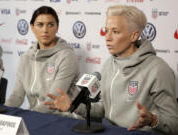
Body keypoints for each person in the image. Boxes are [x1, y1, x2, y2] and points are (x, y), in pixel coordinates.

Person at [44, 5, 178, 135]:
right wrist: (75, 107)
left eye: (115, 32)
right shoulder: (109, 64)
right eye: (106, 30)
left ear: (134, 36)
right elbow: (104, 109)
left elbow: (174, 124)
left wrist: (153, 120)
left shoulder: (159, 70)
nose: (107, 37)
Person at [5, 6, 80, 116]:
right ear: (32, 27)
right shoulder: (26, 58)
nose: (45, 30)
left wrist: (29, 118)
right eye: (40, 25)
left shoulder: (67, 56)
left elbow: (52, 100)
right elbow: (17, 95)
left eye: (51, 25)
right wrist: (3, 115)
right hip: (34, 117)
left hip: (62, 119)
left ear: (57, 27)